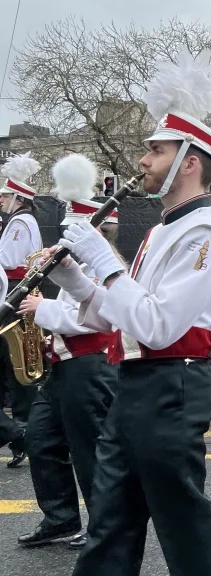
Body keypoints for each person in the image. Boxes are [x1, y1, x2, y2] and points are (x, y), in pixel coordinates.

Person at [46, 53, 211, 575]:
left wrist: (105, 262)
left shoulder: (206, 234)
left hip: (172, 387)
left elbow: (159, 325)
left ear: (188, 161)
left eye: (155, 150)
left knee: (182, 525)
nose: (143, 161)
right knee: (109, 523)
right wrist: (76, 282)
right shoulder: (164, 228)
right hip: (133, 385)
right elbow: (124, 318)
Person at [18, 156, 121, 551]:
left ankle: (103, 525)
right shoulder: (70, 264)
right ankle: (60, 518)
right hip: (62, 366)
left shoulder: (103, 264)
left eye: (70, 233)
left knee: (89, 450)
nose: (62, 240)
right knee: (41, 440)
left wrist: (39, 308)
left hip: (89, 366)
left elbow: (99, 315)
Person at [0, 152, 44, 467]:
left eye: (4, 194)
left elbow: (8, 260)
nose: (1, 199)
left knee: (16, 365)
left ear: (17, 196)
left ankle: (23, 428)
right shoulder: (20, 221)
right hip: (16, 297)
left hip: (14, 300)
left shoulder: (19, 222)